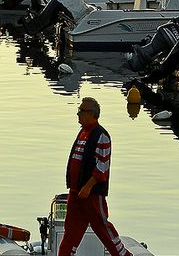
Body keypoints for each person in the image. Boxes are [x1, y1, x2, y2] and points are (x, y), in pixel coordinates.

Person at [59, 97, 130, 256]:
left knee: (102, 228)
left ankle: (123, 255)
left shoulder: (101, 135)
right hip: (76, 192)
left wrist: (88, 186)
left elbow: (102, 165)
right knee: (70, 231)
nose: (78, 114)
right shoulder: (83, 132)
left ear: (91, 114)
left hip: (91, 194)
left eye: (81, 111)